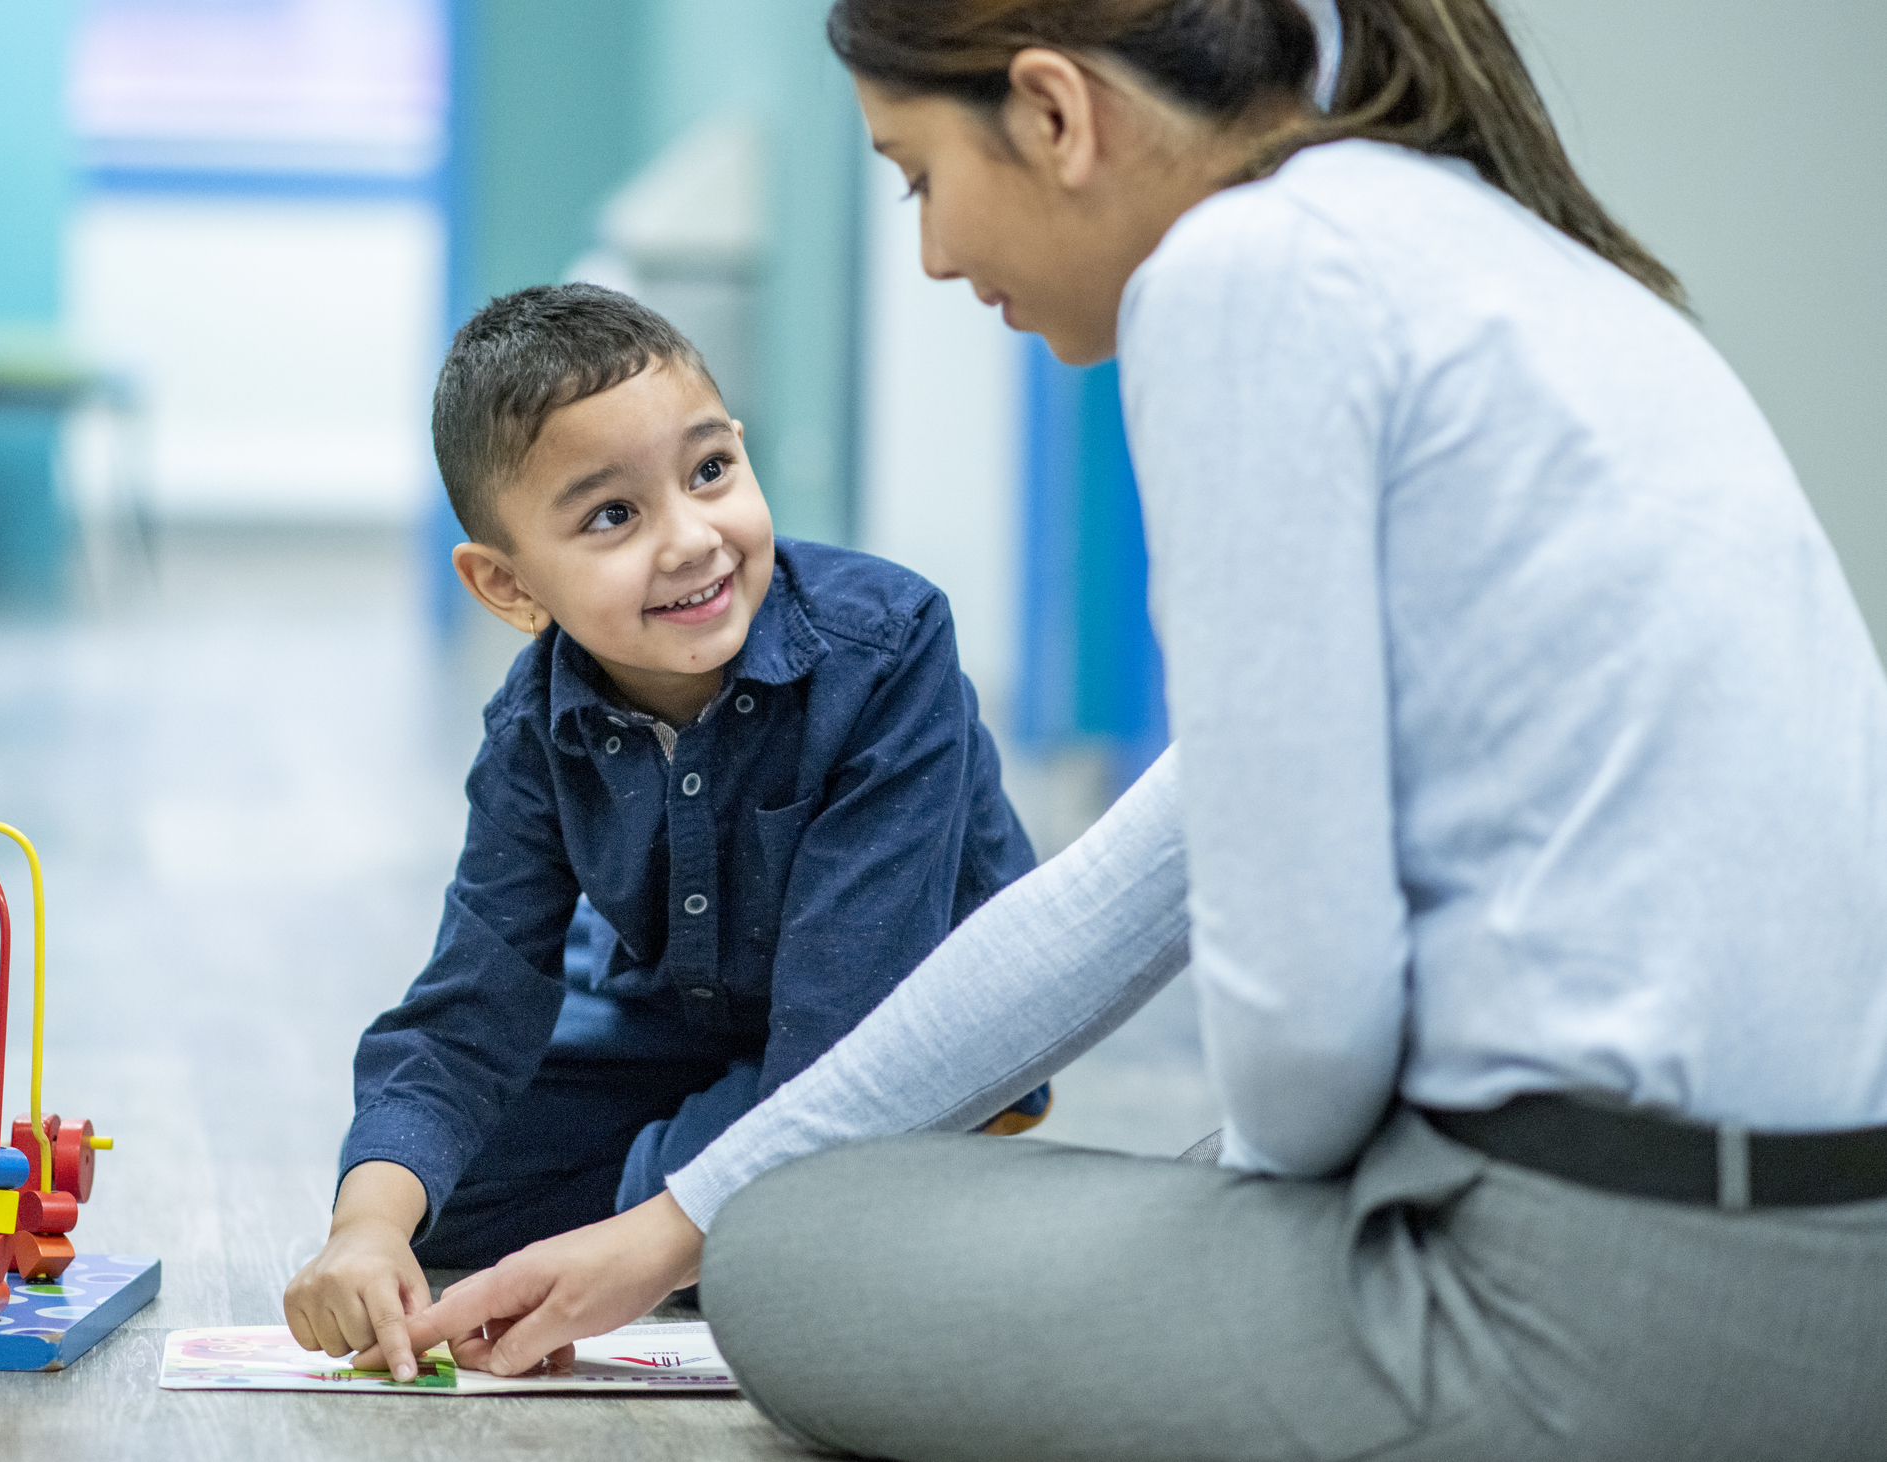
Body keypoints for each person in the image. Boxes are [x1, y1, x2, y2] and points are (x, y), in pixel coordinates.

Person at [383, 3, 1887, 1457]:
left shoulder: (1243, 279)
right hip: (1845, 1283)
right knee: (788, 1200)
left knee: (792, 1252)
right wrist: (667, 1223)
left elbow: (1301, 1067)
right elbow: (1111, 898)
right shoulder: (1486, 244)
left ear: (1051, 111)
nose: (931, 249)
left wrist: (720, 1224)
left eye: (919, 175)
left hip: (1582, 1313)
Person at [282, 284, 1040, 1377]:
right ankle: (721, 1197)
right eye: (610, 516)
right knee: (445, 1196)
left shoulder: (889, 647)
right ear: (506, 584)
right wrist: (366, 1228)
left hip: (884, 1031)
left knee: (755, 1188)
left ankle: (813, 1185)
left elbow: (849, 1028)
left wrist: (646, 1216)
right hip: (682, 1022)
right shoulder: (534, 725)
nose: (692, 540)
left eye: (709, 471)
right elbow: (469, 1007)